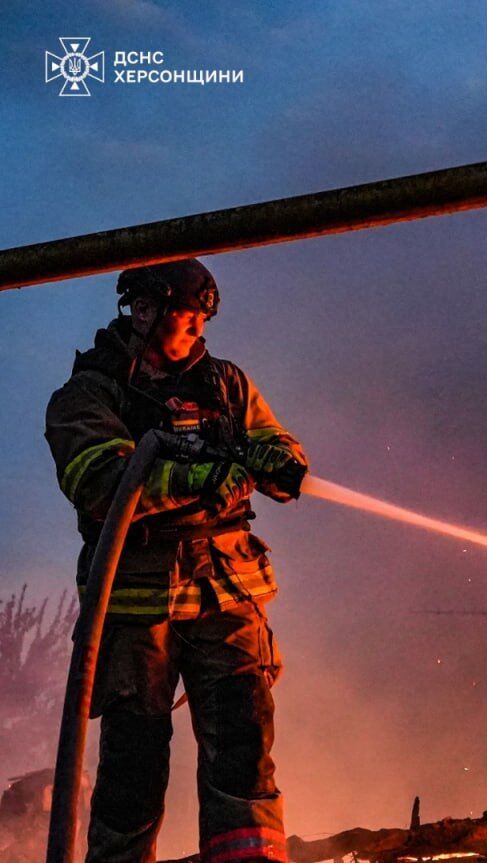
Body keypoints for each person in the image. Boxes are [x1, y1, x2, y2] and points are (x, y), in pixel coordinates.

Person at [44, 258, 307, 863]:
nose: (191, 336)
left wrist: (280, 463)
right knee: (133, 768)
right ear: (141, 312)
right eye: (179, 321)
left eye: (198, 323)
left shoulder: (226, 384)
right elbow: (102, 479)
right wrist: (197, 478)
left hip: (228, 596)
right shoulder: (88, 394)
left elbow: (271, 437)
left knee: (244, 751)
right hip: (139, 606)